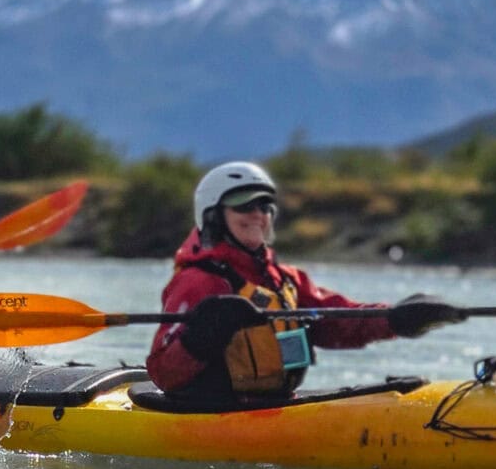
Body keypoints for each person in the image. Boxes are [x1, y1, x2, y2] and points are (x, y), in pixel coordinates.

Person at [146, 161, 464, 400]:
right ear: (214, 215)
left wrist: (395, 319)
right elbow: (163, 374)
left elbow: (338, 321)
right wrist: (202, 335)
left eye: (264, 205)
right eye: (245, 204)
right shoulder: (198, 281)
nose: (258, 213)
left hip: (276, 406)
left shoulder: (285, 279)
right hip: (207, 412)